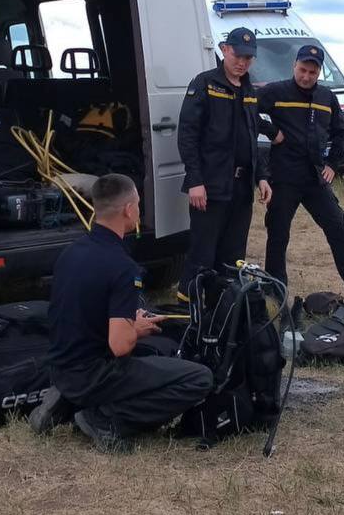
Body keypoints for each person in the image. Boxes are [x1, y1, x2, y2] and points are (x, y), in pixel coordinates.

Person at [31, 174, 214, 452]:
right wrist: (134, 330)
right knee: (199, 378)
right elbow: (119, 346)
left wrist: (130, 324)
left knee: (157, 356)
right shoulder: (122, 267)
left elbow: (84, 313)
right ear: (129, 210)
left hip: (61, 367)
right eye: (138, 204)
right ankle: (105, 419)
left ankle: (68, 401)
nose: (139, 210)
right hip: (94, 372)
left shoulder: (70, 252)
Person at [258, 44, 344, 308]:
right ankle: (276, 289)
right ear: (294, 66)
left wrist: (333, 164)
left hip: (315, 178)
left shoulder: (326, 97)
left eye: (312, 72)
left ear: (319, 72)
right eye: (302, 70)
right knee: (278, 233)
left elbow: (340, 132)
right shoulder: (276, 92)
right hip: (284, 176)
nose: (306, 76)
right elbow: (247, 110)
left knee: (338, 228)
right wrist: (271, 130)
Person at [175, 27, 273, 300]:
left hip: (241, 189)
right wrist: (195, 180)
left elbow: (251, 139)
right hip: (210, 186)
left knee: (233, 257)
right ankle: (188, 314)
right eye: (238, 55)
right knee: (202, 255)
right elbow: (187, 134)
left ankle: (221, 313)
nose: (242, 62)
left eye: (248, 58)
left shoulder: (250, 90)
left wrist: (262, 176)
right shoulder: (205, 83)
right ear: (225, 50)